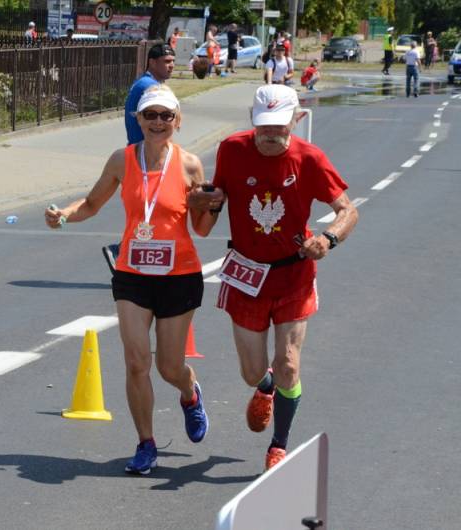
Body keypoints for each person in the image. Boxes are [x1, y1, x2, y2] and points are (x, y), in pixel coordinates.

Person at [189, 84, 358, 470]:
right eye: (264, 125)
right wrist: (199, 202)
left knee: (289, 366)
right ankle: (265, 387)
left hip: (293, 274)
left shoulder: (310, 158)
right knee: (253, 371)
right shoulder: (232, 149)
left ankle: (278, 446)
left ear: (296, 120)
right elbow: (212, 205)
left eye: (279, 126)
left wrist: (328, 239)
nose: (270, 134)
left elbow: (348, 210)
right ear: (253, 119)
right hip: (247, 274)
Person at [45, 85, 211, 475]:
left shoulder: (190, 165)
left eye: (165, 116)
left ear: (177, 121)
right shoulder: (122, 160)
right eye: (150, 115)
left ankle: (189, 392)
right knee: (137, 362)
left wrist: (213, 206)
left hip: (178, 275)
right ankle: (145, 443)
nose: (158, 122)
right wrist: (64, 214)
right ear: (138, 119)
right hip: (133, 274)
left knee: (169, 367)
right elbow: (91, 203)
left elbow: (202, 228)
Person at [109, 43, 176, 272]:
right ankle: (123, 252)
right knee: (149, 210)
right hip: (143, 157)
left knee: (149, 211)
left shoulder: (147, 83)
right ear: (152, 62)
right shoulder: (149, 87)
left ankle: (131, 254)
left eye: (172, 61)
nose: (171, 66)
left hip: (145, 154)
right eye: (166, 62)